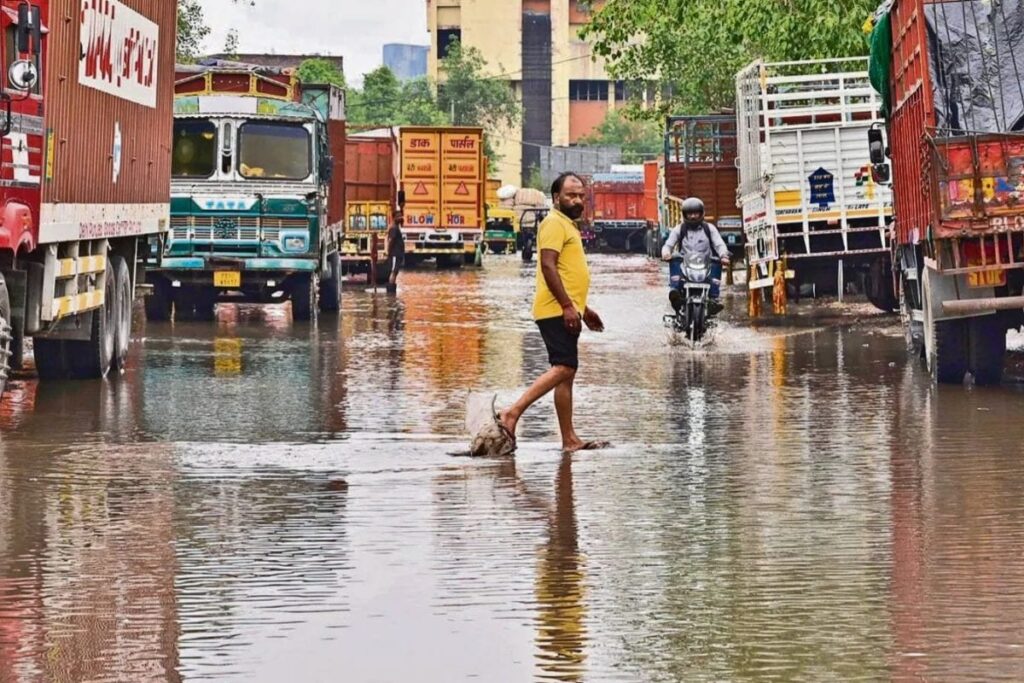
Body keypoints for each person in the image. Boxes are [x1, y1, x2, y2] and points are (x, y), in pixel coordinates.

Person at [498, 173, 609, 454]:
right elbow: (549, 266)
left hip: (565, 309)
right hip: (554, 310)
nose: (577, 200)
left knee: (566, 374)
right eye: (571, 195)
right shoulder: (553, 223)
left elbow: (569, 273)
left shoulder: (567, 225)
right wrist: (567, 307)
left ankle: (569, 439)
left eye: (581, 195)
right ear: (556, 197)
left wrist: (584, 309)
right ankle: (512, 413)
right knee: (564, 367)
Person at [660, 196, 731, 314]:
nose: (693, 216)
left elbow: (719, 244)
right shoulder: (679, 229)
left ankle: (714, 299)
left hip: (705, 266)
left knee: (717, 262)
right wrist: (666, 254)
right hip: (685, 267)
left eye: (696, 213)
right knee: (675, 260)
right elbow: (668, 245)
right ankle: (675, 293)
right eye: (689, 214)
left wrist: (723, 256)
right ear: (684, 215)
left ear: (701, 214)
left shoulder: (709, 228)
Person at [386, 212, 405, 295]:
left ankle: (392, 290)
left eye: (401, 216)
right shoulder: (393, 228)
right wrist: (389, 251)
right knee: (393, 272)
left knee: (395, 272)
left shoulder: (397, 227)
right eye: (398, 216)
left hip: (398, 254)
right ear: (394, 218)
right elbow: (391, 241)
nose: (400, 218)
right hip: (395, 254)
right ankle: (390, 291)